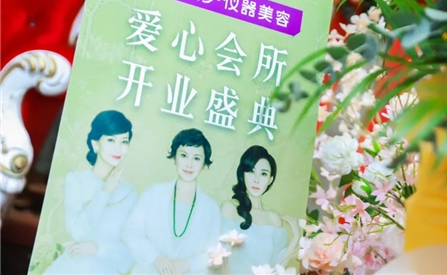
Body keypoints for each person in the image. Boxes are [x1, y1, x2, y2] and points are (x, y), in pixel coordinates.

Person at [44, 110, 137, 274]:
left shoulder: (129, 192)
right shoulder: (76, 180)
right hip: (72, 268)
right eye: (111, 140)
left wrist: (98, 248)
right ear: (95, 144)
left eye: (124, 141)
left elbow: (130, 253)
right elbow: (78, 232)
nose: (118, 148)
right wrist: (105, 192)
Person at [122, 128, 221, 274]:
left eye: (196, 158)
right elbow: (131, 231)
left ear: (204, 164)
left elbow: (215, 252)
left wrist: (188, 264)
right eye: (184, 155)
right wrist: (155, 258)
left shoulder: (211, 208)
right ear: (175, 157)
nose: (189, 164)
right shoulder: (153, 193)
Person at [221, 145, 300, 274]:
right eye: (251, 171)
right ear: (243, 174)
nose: (256, 180)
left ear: (270, 180)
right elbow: (219, 261)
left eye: (263, 174)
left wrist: (295, 238)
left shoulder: (274, 218)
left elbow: (277, 270)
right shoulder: (230, 208)